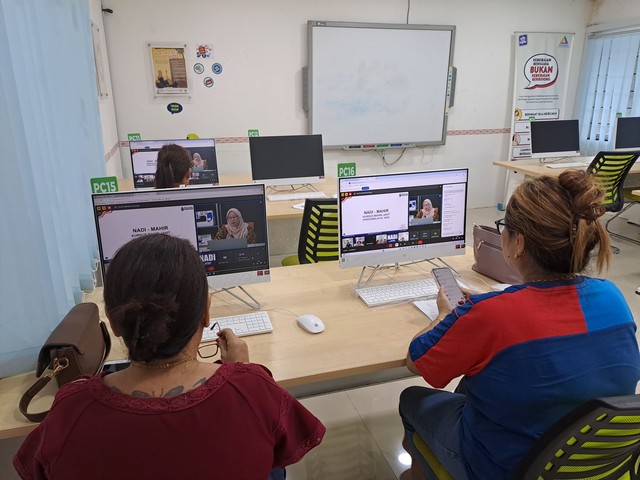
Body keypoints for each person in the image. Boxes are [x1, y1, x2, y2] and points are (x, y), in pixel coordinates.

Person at [14, 234, 325, 479]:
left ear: (113, 321)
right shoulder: (253, 390)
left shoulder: (71, 408)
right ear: (206, 313)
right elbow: (282, 447)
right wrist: (242, 373)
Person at [399, 170, 640, 480]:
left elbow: (416, 362)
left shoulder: (491, 315)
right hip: (593, 464)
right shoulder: (612, 295)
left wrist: (446, 315)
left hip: (505, 468)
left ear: (519, 243)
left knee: (412, 398)